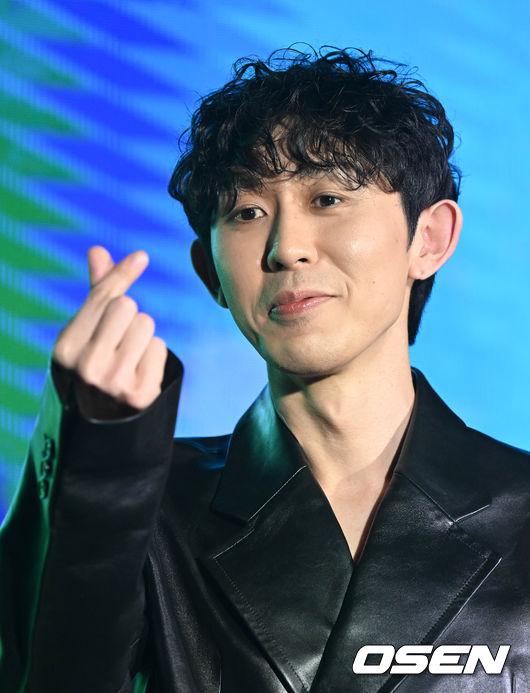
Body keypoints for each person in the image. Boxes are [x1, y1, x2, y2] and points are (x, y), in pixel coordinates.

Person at [0, 46, 529, 693]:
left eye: (328, 197)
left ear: (430, 238)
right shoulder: (143, 509)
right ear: (210, 272)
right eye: (247, 213)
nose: (287, 248)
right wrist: (98, 458)